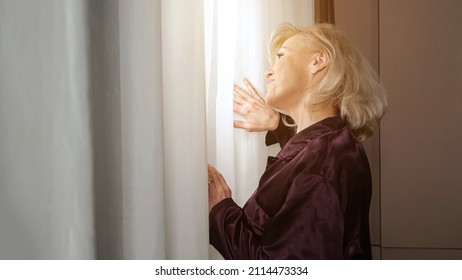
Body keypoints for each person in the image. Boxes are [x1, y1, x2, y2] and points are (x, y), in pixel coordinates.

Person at [208, 23, 387, 259]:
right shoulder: (335, 145)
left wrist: (220, 212)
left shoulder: (322, 163)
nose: (268, 72)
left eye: (281, 56)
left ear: (318, 62)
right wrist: (280, 126)